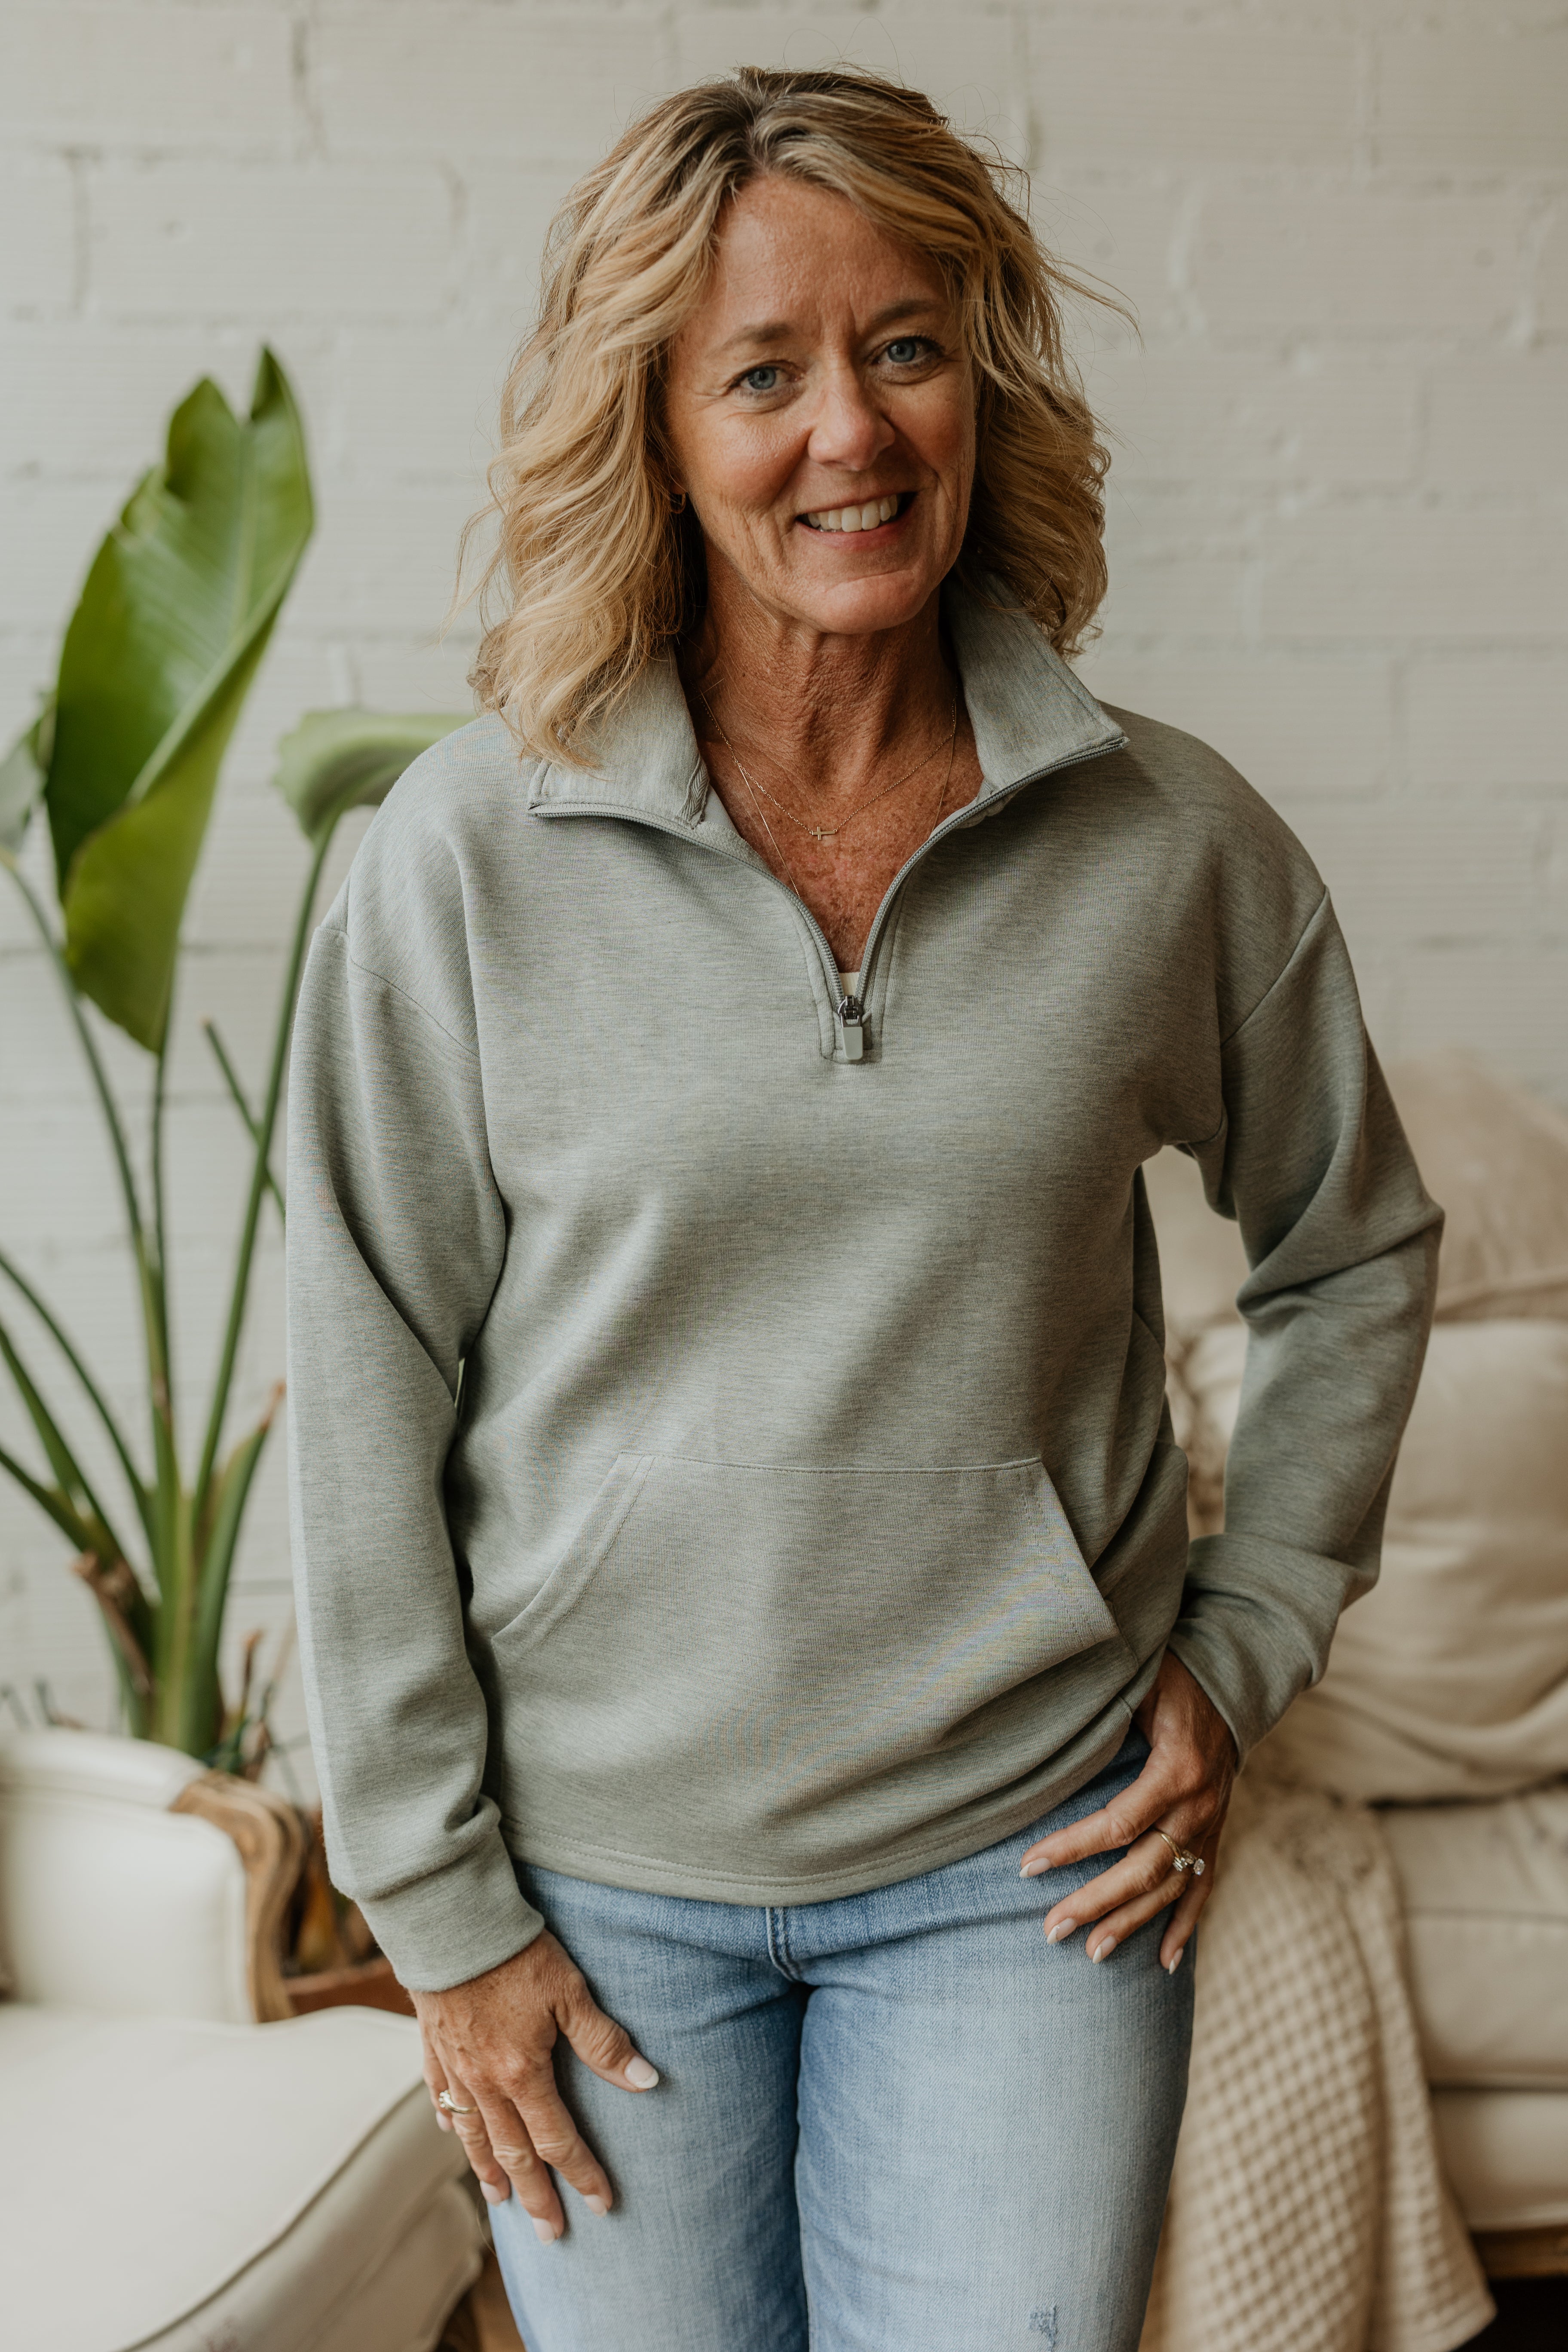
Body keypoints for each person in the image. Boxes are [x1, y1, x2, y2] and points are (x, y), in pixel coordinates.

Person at [286, 67, 1439, 2352]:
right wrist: (444, 1914)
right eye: (762, 374)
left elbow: (1357, 1245)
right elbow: (362, 1386)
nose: (852, 431)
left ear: (983, 384)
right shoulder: (462, 862)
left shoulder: (1167, 846)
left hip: (1032, 1869)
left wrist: (1246, 1641)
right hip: (599, 1896)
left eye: (907, 347)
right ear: (655, 427)